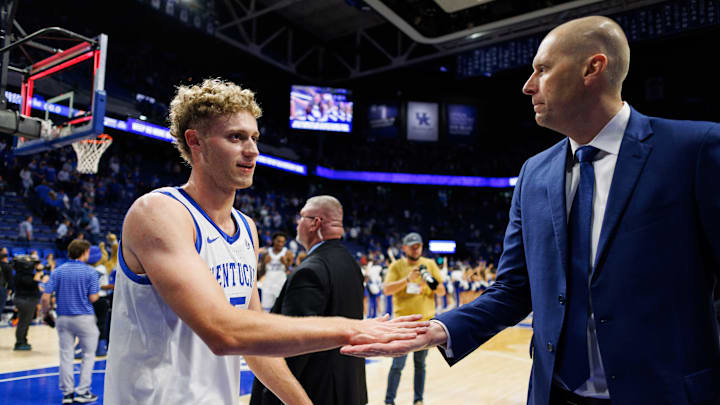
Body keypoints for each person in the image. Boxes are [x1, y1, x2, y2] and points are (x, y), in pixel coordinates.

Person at [342, 16, 720, 405]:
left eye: (542, 69)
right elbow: (513, 289)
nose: (528, 85)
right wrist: (438, 329)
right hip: (553, 393)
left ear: (593, 67)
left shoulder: (694, 150)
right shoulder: (534, 173)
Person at [103, 78, 427, 404]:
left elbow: (255, 338)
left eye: (255, 137)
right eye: (236, 137)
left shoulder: (246, 228)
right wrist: (350, 329)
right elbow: (224, 332)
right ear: (195, 141)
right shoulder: (159, 213)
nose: (253, 150)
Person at [250, 195, 367, 405]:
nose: (297, 222)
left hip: (315, 392)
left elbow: (293, 345)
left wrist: (273, 397)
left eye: (301, 216)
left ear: (315, 223)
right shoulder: (350, 263)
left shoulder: (311, 270)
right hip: (348, 388)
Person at [381, 232, 445, 405]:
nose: (416, 249)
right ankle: (389, 401)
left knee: (420, 365)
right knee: (397, 365)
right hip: (403, 325)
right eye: (412, 246)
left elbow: (441, 290)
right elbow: (386, 289)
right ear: (404, 248)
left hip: (424, 324)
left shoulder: (429, 264)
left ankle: (418, 400)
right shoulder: (396, 266)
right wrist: (407, 280)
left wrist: (428, 283)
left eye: (419, 246)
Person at [41, 239, 100, 404]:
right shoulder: (91, 273)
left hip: (63, 318)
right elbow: (93, 297)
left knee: (66, 355)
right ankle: (83, 391)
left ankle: (67, 394)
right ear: (84, 252)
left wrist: (46, 314)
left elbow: (45, 297)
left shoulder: (58, 271)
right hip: (84, 318)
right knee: (88, 355)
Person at [12, 254, 43, 350]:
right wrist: (39, 271)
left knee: (24, 322)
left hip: (25, 300)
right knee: (23, 322)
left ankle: (23, 340)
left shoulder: (21, 274)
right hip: (26, 300)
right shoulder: (23, 276)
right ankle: (20, 342)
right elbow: (32, 283)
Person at [258, 231, 294, 311]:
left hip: (280, 282)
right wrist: (264, 263)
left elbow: (290, 270)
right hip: (268, 282)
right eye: (278, 241)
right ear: (274, 240)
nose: (280, 243)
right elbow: (261, 271)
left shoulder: (287, 253)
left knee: (280, 306)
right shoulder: (266, 253)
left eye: (282, 242)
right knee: (266, 307)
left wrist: (285, 264)